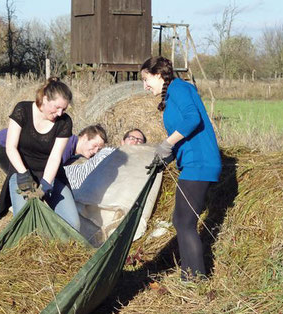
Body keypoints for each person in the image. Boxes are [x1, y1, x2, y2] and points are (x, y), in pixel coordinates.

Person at [140, 56, 222, 281]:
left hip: (200, 162)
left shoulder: (179, 87)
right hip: (192, 162)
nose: (144, 86)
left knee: (184, 221)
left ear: (158, 74)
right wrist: (167, 157)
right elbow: (183, 135)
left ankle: (195, 278)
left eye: (146, 79)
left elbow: (192, 119)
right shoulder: (169, 97)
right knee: (181, 220)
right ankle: (190, 275)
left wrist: (167, 143)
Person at [0, 77, 81, 231]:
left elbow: (55, 157)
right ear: (45, 99)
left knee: (72, 224)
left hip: (50, 175)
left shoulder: (64, 122)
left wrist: (46, 186)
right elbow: (11, 147)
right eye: (57, 107)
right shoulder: (22, 110)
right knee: (25, 222)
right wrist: (23, 175)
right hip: (22, 173)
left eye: (64, 109)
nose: (60, 113)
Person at [0, 124, 107, 173]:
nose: (96, 151)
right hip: (2, 145)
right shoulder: (65, 146)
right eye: (95, 145)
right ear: (85, 137)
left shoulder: (72, 151)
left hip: (9, 146)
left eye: (99, 149)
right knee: (21, 180)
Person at [65, 128, 147, 190]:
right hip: (67, 180)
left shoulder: (140, 168)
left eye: (140, 141)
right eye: (132, 138)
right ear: (122, 142)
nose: (135, 141)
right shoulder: (109, 151)